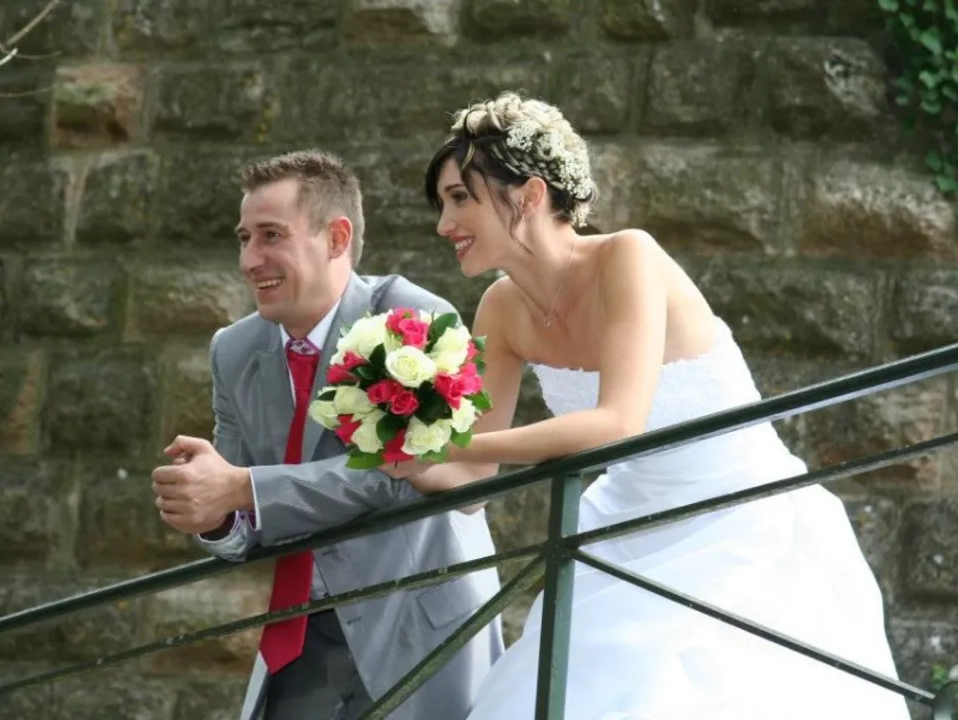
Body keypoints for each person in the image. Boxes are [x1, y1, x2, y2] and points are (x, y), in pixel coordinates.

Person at [383, 92, 911, 719]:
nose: (444, 225)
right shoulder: (501, 308)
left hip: (740, 520)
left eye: (459, 198)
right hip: (624, 529)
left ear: (528, 196)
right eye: (443, 204)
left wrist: (456, 442)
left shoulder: (628, 256)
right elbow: (473, 476)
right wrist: (404, 452)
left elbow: (617, 425)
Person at [150, 149, 504, 720]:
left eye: (271, 235)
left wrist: (242, 488)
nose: (249, 259)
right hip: (299, 643)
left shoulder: (412, 319)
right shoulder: (232, 349)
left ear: (337, 237)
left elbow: (396, 477)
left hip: (418, 627)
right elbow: (242, 520)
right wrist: (210, 512)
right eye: (244, 238)